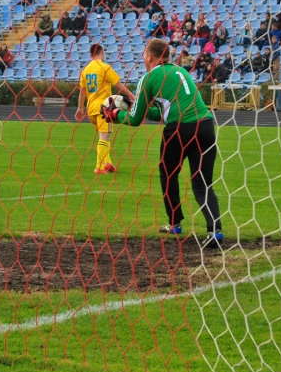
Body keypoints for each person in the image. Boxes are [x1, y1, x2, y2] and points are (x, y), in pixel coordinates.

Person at [101, 38, 222, 245]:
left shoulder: (148, 78)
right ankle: (215, 231)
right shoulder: (181, 71)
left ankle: (175, 224)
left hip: (179, 130)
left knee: (168, 174)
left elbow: (135, 119)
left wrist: (115, 116)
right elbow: (168, 110)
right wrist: (144, 109)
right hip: (206, 126)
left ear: (149, 56)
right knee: (202, 184)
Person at [76, 44, 137, 175]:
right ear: (102, 53)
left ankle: (107, 163)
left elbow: (82, 91)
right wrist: (132, 96)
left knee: (104, 136)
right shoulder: (105, 68)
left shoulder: (85, 70)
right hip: (104, 108)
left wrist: (80, 108)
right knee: (104, 137)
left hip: (91, 108)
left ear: (91, 54)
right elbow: (118, 85)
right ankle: (99, 167)